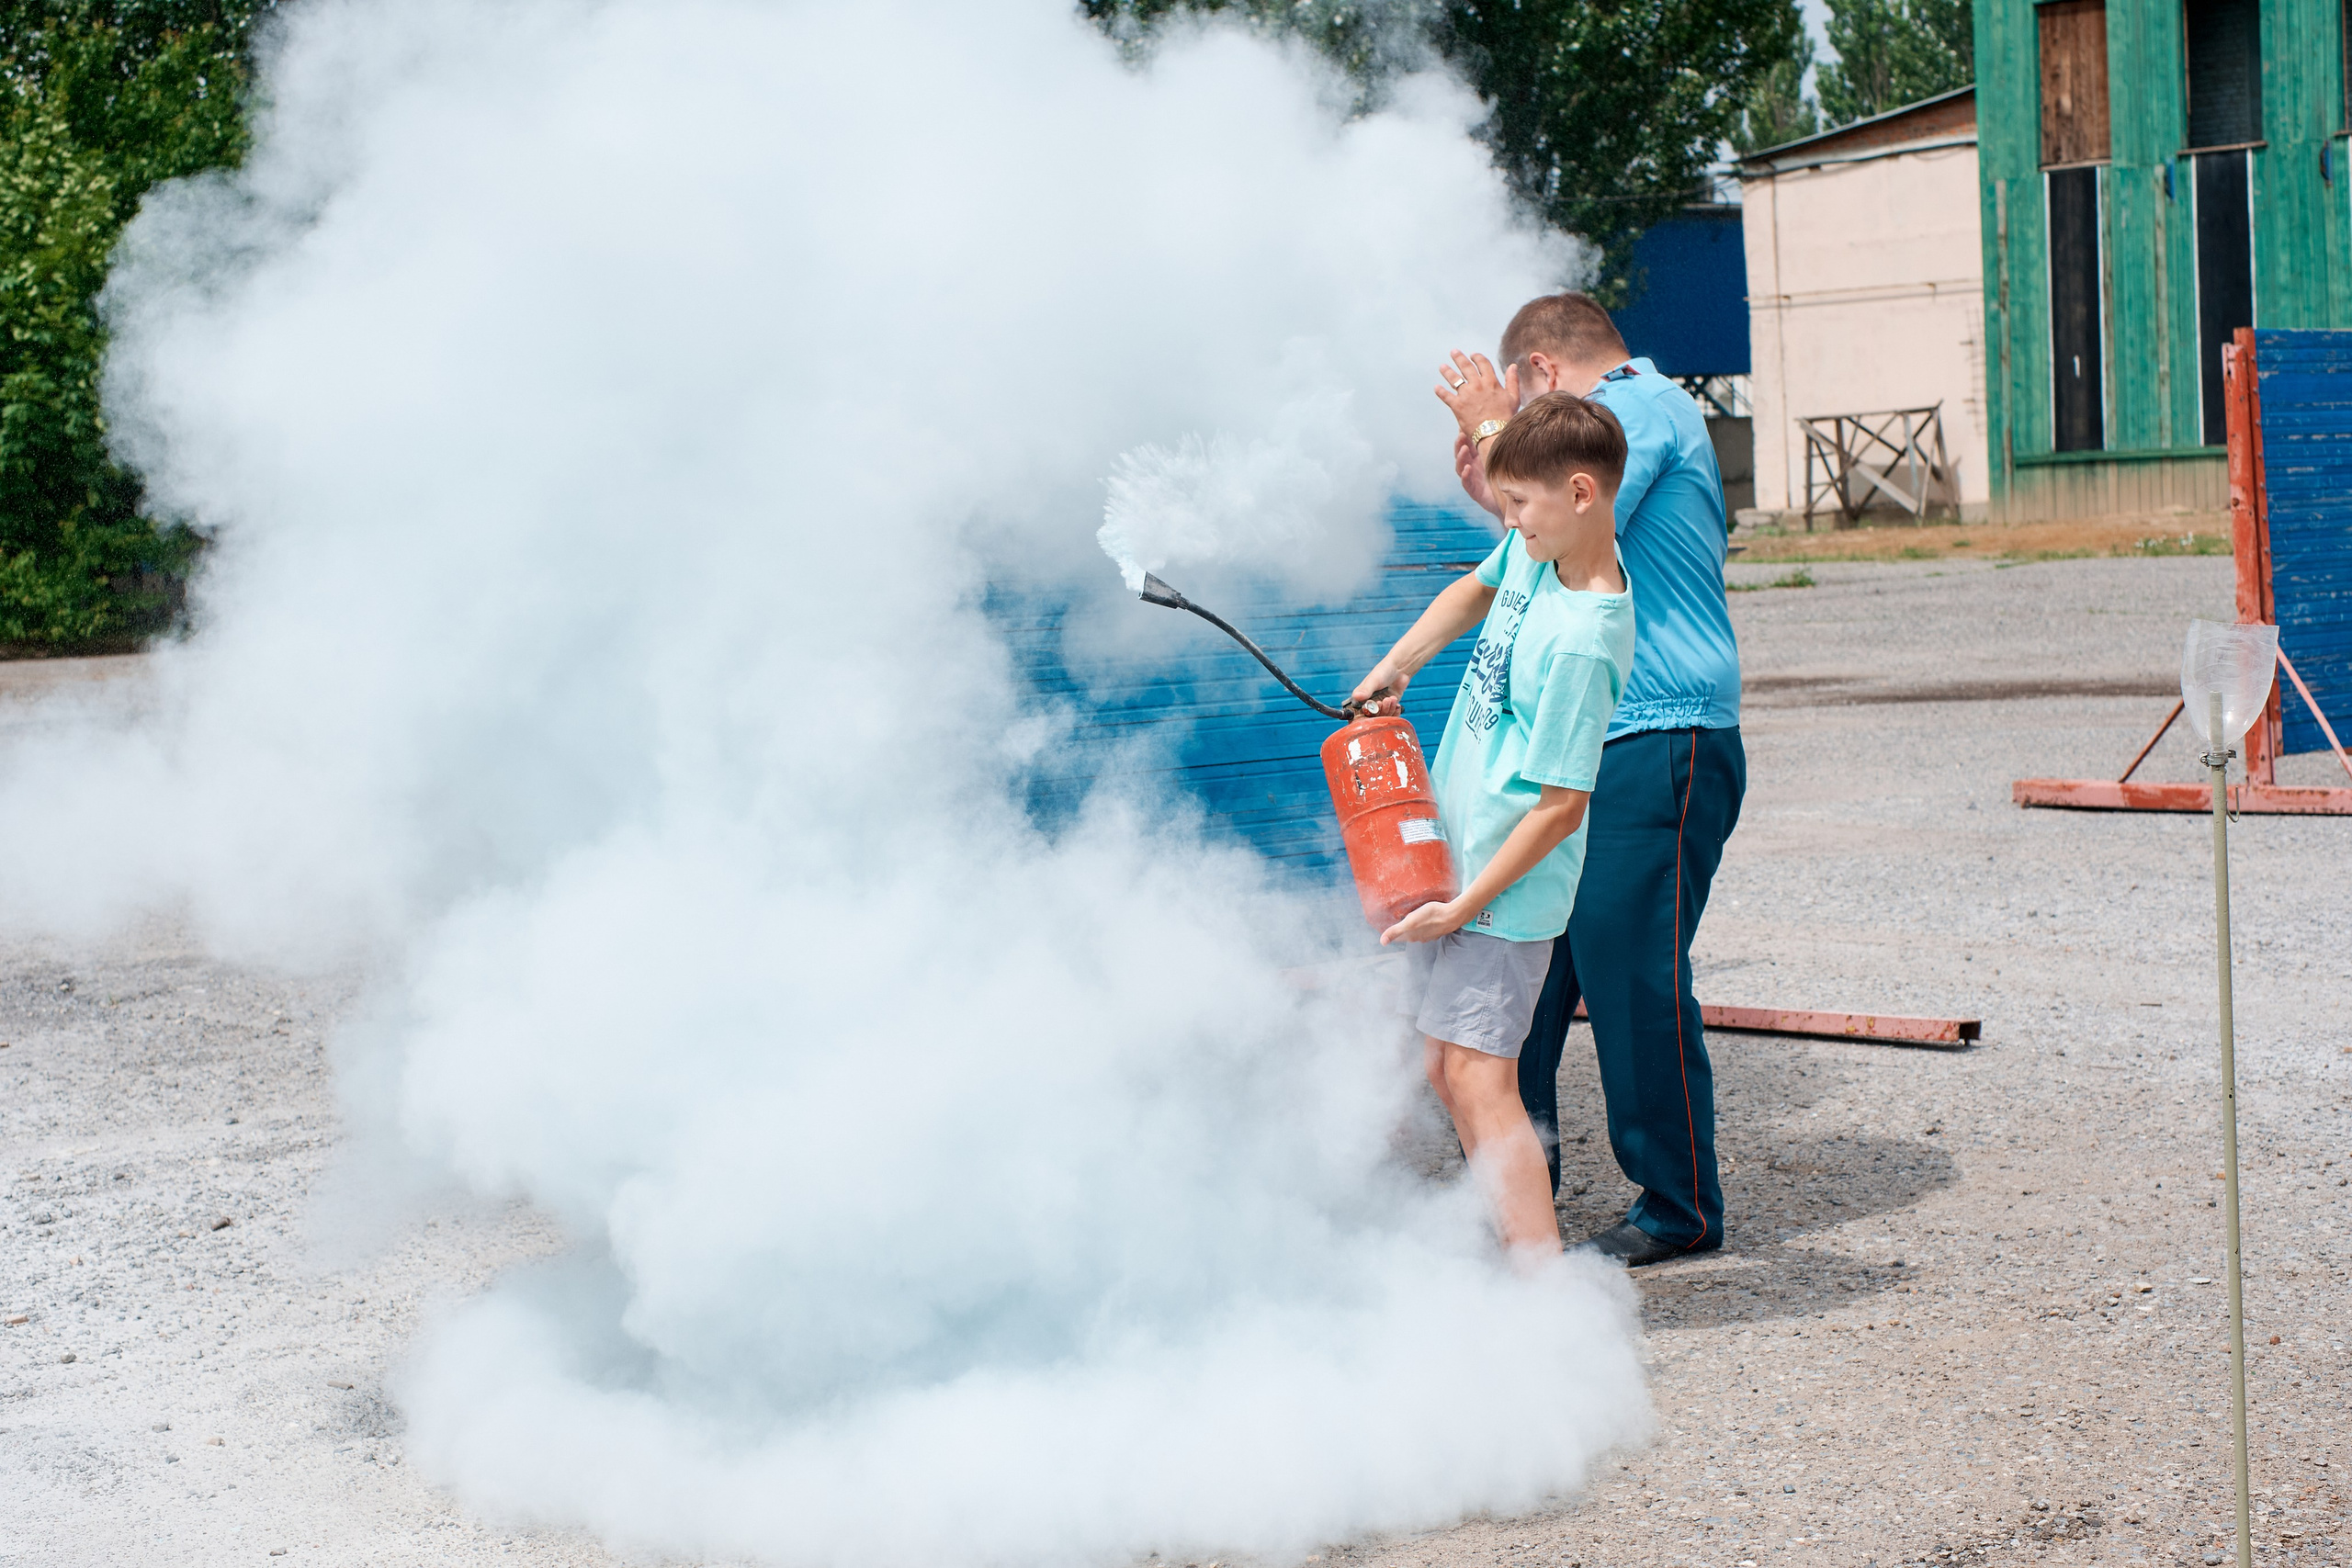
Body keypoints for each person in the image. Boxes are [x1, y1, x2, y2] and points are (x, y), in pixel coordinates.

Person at [1434, 292, 1745, 1268]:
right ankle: (1519, 1194)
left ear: (1536, 370)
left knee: (1627, 969)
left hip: (1658, 734)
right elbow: (1532, 524)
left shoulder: (1641, 405)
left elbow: (1575, 501)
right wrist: (1494, 473)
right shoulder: (1628, 415)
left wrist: (1491, 429)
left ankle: (1678, 1204)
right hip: (1594, 735)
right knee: (1535, 966)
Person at [1347, 393, 1635, 1263]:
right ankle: (1516, 1250)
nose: (1505, 521)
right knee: (1448, 1069)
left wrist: (1463, 902)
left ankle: (1546, 1292)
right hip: (1459, 870)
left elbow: (1560, 806)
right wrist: (1395, 665)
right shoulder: (1537, 550)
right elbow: (1474, 588)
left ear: (1581, 493)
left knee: (1480, 1077)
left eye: (1518, 505)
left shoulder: (1584, 638)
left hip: (1501, 895)